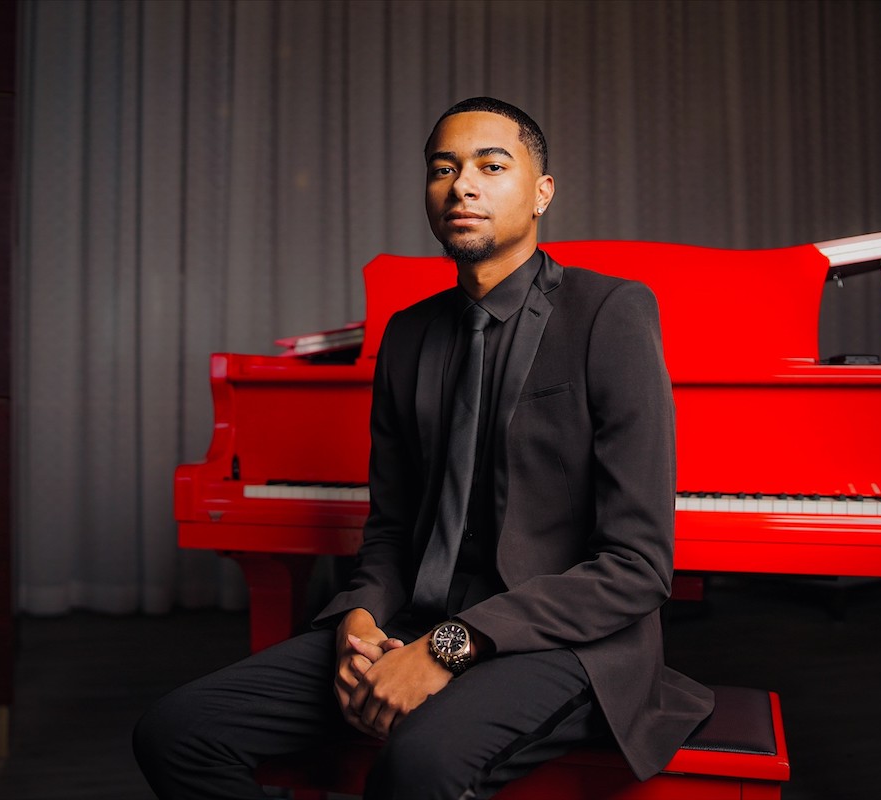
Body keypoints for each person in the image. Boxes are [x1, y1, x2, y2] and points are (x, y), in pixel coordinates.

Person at [133, 96, 714, 800]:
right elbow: (389, 530)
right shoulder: (408, 333)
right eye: (443, 168)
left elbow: (638, 566)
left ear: (541, 194)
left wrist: (449, 647)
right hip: (411, 621)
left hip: (564, 642)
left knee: (416, 765)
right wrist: (360, 620)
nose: (461, 185)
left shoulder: (610, 313)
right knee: (177, 729)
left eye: (490, 166)